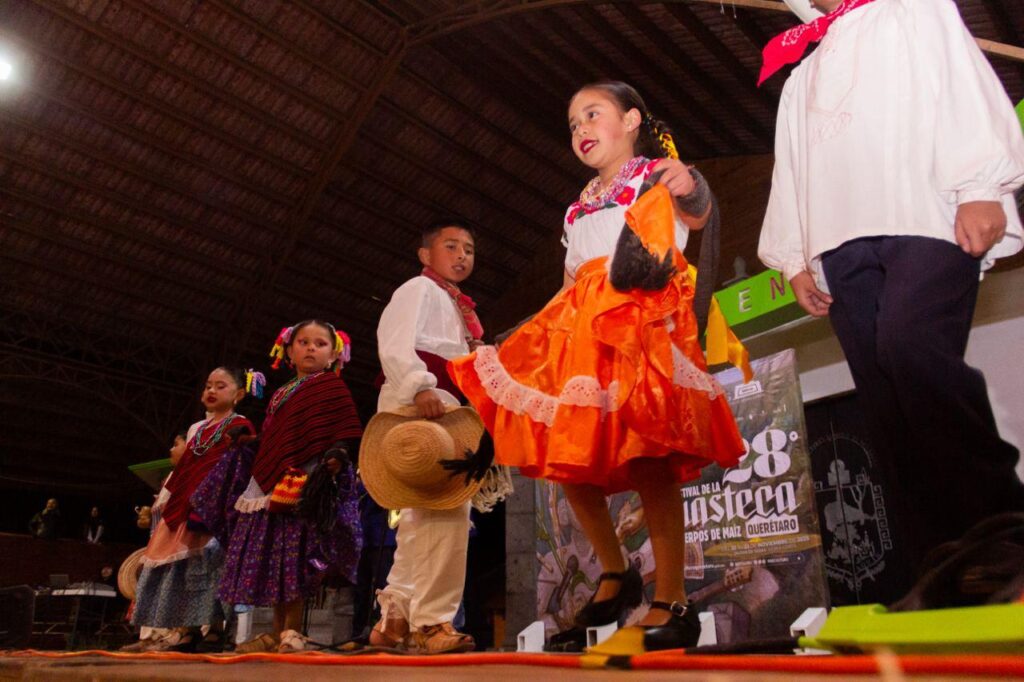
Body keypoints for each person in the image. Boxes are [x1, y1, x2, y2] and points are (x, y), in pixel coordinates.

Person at [449, 81, 747, 652]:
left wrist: (692, 180)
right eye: (572, 123)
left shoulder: (658, 174)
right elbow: (569, 279)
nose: (581, 128)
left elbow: (698, 210)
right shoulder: (578, 202)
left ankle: (672, 599)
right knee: (568, 465)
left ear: (632, 118)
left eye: (593, 114)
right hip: (580, 329)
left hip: (640, 321)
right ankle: (615, 571)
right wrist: (537, 339)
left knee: (649, 457)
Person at [757, 0, 1024, 585]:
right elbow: (791, 168)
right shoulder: (802, 74)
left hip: (927, 218)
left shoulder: (915, 10)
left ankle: (1004, 527)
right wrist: (794, 255)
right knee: (882, 398)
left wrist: (981, 184)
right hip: (840, 244)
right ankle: (941, 561)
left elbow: (960, 82)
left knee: (910, 345)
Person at [193, 322, 362, 654]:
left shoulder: (332, 387)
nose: (311, 348)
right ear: (288, 351)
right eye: (303, 342)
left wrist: (338, 452)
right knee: (276, 555)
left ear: (333, 354)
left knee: (297, 553)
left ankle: (293, 630)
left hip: (307, 478)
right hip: (271, 482)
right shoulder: (280, 393)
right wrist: (251, 444)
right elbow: (275, 437)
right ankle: (275, 630)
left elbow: (344, 427)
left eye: (320, 343)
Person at [368, 220, 494, 654]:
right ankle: (433, 622)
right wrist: (419, 385)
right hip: (421, 400)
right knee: (446, 511)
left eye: (470, 249)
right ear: (426, 255)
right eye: (452, 246)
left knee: (420, 515)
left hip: (443, 404)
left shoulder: (459, 309)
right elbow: (393, 340)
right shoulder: (418, 289)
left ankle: (395, 618)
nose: (463, 255)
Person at [126, 367, 256, 652]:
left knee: (210, 568)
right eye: (208, 385)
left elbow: (241, 469)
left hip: (215, 511)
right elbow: (185, 468)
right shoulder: (197, 429)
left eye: (220, 386)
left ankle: (216, 629)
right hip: (186, 505)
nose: (211, 391)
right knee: (182, 567)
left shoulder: (241, 425)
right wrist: (169, 500)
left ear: (239, 394)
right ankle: (188, 629)